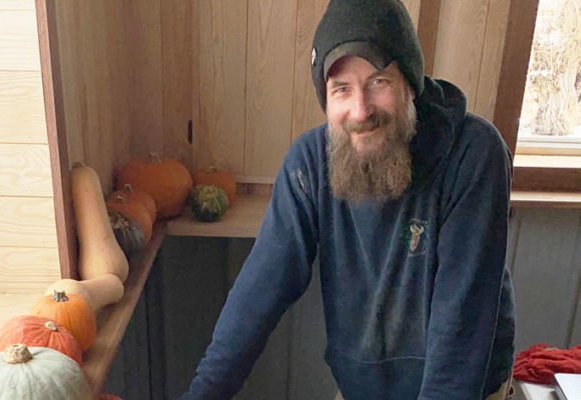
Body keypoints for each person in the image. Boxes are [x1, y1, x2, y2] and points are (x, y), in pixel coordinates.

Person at [180, 0, 515, 399]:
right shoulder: (309, 164)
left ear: (409, 82)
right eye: (342, 89)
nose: (360, 110)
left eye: (378, 82)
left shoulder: (475, 155)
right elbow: (257, 295)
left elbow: (461, 333)